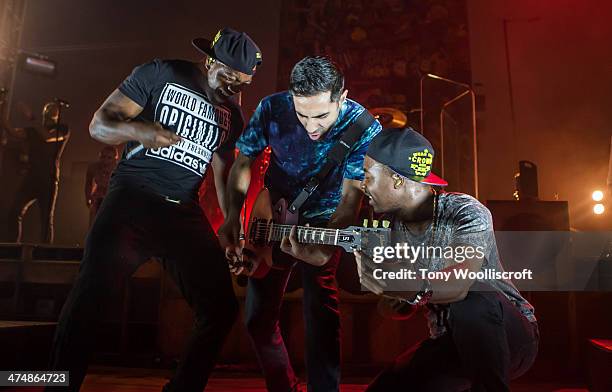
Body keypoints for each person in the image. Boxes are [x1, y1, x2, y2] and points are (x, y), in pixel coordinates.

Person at [46, 28, 262, 392]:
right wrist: (143, 132)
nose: (233, 90)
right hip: (132, 201)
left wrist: (230, 223)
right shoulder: (160, 73)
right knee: (89, 301)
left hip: (183, 213)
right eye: (228, 79)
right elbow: (99, 125)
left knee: (221, 309)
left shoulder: (231, 112)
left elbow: (224, 169)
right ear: (210, 60)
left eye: (242, 84)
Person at [219, 56, 382, 392]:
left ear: (342, 96)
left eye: (321, 115)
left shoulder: (362, 126)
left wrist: (327, 246)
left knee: (320, 313)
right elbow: (243, 162)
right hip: (269, 217)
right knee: (256, 320)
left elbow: (351, 199)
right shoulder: (271, 108)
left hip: (325, 221)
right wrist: (233, 217)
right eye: (302, 113)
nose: (311, 126)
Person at [351, 128, 539, 391]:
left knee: (471, 294)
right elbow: (390, 306)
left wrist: (411, 288)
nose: (363, 185)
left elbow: (460, 283)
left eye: (368, 176)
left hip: (511, 336)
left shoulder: (464, 211)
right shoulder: (388, 229)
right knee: (387, 387)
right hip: (451, 344)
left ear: (397, 180)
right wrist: (396, 300)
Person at [4, 100, 70, 243]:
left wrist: (31, 117)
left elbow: (47, 137)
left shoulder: (63, 129)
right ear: (44, 114)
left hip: (49, 179)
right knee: (14, 211)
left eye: (54, 109)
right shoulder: (32, 131)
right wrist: (2, 108)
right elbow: (11, 131)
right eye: (49, 109)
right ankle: (12, 248)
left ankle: (45, 255)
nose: (51, 111)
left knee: (46, 219)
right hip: (32, 178)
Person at [84, 145, 119, 226]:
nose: (105, 160)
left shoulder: (120, 169)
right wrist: (88, 197)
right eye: (103, 157)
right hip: (97, 196)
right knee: (94, 224)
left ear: (115, 159)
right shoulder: (93, 167)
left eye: (109, 157)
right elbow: (88, 183)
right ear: (100, 157)